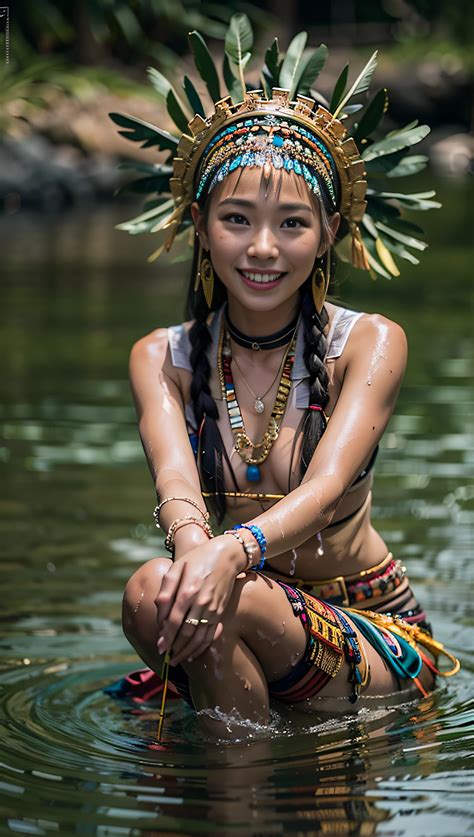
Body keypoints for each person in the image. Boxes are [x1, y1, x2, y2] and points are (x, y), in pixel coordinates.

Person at [111, 23, 459, 736]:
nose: (263, 249)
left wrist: (226, 557)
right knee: (148, 591)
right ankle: (243, 808)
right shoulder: (161, 357)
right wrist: (193, 558)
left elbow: (326, 489)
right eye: (237, 218)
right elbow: (175, 486)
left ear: (330, 231)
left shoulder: (368, 342)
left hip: (368, 629)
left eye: (292, 223)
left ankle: (235, 816)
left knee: (220, 593)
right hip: (227, 594)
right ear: (201, 225)